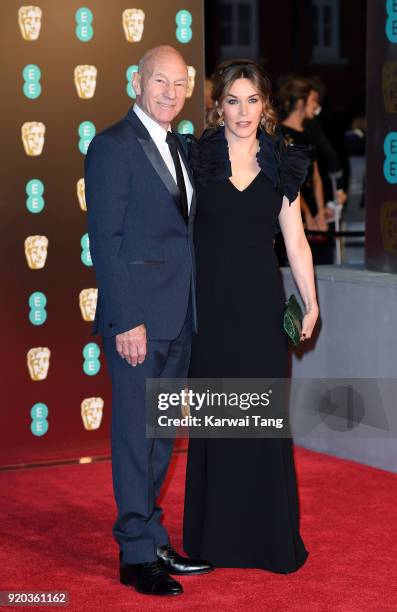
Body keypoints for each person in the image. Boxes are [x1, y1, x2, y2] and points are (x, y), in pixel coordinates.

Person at [85, 45, 212, 597]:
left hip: (179, 315)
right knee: (138, 437)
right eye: (160, 81)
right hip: (138, 320)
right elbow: (105, 242)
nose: (170, 92)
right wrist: (126, 319)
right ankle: (135, 554)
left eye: (180, 84)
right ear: (136, 81)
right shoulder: (113, 145)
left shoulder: (182, 147)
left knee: (161, 435)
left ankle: (152, 536)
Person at [183, 59, 319, 572]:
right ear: (218, 106)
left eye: (252, 100)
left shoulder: (282, 160)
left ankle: (267, 540)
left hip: (262, 310)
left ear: (266, 106)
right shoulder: (198, 157)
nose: (243, 110)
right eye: (233, 100)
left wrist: (311, 301)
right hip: (211, 309)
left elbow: (297, 241)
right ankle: (214, 540)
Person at [276, 77, 331, 265]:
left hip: (313, 210)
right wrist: (306, 214)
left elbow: (316, 177)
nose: (315, 105)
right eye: (312, 100)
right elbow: (288, 181)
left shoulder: (309, 133)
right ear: (300, 103)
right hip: (293, 207)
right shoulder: (280, 134)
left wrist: (321, 212)